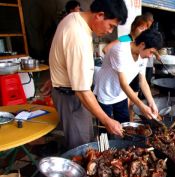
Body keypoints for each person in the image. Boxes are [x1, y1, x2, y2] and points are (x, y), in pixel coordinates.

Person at [49, 0, 128, 149]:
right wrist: (107, 120)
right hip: (70, 96)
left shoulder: (73, 18)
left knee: (85, 137)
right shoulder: (78, 36)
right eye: (111, 26)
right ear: (99, 15)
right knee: (81, 145)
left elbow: (60, 52)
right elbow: (82, 91)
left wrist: (56, 73)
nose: (110, 31)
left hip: (69, 91)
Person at [93, 29, 162, 123]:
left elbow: (142, 80)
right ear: (142, 45)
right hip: (105, 93)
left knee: (125, 126)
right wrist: (141, 106)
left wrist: (151, 102)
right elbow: (123, 83)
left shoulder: (143, 56)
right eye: (151, 52)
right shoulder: (120, 50)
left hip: (121, 94)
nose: (150, 56)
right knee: (105, 128)